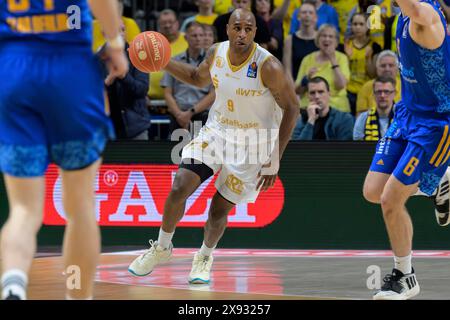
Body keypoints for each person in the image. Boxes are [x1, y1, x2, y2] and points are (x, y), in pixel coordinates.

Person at [128, 8, 299, 284]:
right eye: (237, 27)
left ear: (255, 32)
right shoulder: (217, 52)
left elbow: (293, 108)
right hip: (217, 132)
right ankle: (161, 247)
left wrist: (274, 158)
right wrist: (163, 61)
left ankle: (205, 256)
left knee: (218, 210)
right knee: (178, 186)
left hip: (252, 146)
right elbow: (197, 78)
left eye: (248, 29)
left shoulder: (268, 66)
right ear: (227, 29)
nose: (242, 34)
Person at [0, 0, 128, 300]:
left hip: (15, 70)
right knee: (80, 208)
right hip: (71, 75)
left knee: (23, 209)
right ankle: (76, 296)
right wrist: (115, 43)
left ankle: (13, 283)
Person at [362, 0, 450, 300]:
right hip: (406, 115)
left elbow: (413, 7)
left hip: (434, 126)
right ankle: (438, 183)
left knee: (390, 200)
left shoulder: (425, 16)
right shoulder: (401, 14)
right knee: (373, 191)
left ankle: (405, 275)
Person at [161, 22, 214, 134]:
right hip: (177, 115)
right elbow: (167, 93)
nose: (198, 39)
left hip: (202, 114)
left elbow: (213, 94)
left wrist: (190, 113)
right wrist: (179, 115)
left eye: (201, 35)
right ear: (186, 37)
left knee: (202, 150)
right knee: (175, 151)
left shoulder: (212, 62)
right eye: (194, 36)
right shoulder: (174, 61)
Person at [295, 24, 351, 112]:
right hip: (310, 107)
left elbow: (341, 85)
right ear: (318, 40)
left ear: (336, 42)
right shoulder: (307, 59)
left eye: (330, 36)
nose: (327, 39)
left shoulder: (342, 58)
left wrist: (333, 60)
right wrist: (307, 78)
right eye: (323, 36)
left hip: (336, 108)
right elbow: (298, 91)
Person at [345, 13, 382, 115]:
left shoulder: (374, 46)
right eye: (355, 24)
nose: (357, 27)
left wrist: (368, 58)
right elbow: (343, 72)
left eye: (361, 24)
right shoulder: (346, 44)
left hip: (366, 90)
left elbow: (373, 75)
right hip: (348, 91)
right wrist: (347, 57)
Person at [148, 9, 188, 100]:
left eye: (171, 22)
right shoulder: (150, 42)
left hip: (181, 101)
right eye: (163, 23)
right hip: (151, 99)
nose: (167, 25)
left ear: (177, 23)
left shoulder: (188, 39)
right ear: (158, 25)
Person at [356, 50, 401, 115]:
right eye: (383, 66)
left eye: (391, 65)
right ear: (377, 68)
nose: (387, 69)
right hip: (371, 123)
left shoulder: (406, 86)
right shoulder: (367, 87)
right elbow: (360, 115)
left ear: (397, 68)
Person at [283, 1, 318, 79]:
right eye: (304, 12)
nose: (307, 15)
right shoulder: (289, 40)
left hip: (317, 85)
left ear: (316, 18)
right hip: (295, 84)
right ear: (298, 16)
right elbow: (287, 70)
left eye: (311, 13)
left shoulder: (321, 39)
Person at [353, 76, 395, 140]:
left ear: (394, 93)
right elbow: (357, 146)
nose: (382, 95)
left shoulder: (403, 118)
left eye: (386, 92)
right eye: (379, 92)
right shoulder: (363, 118)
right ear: (373, 94)